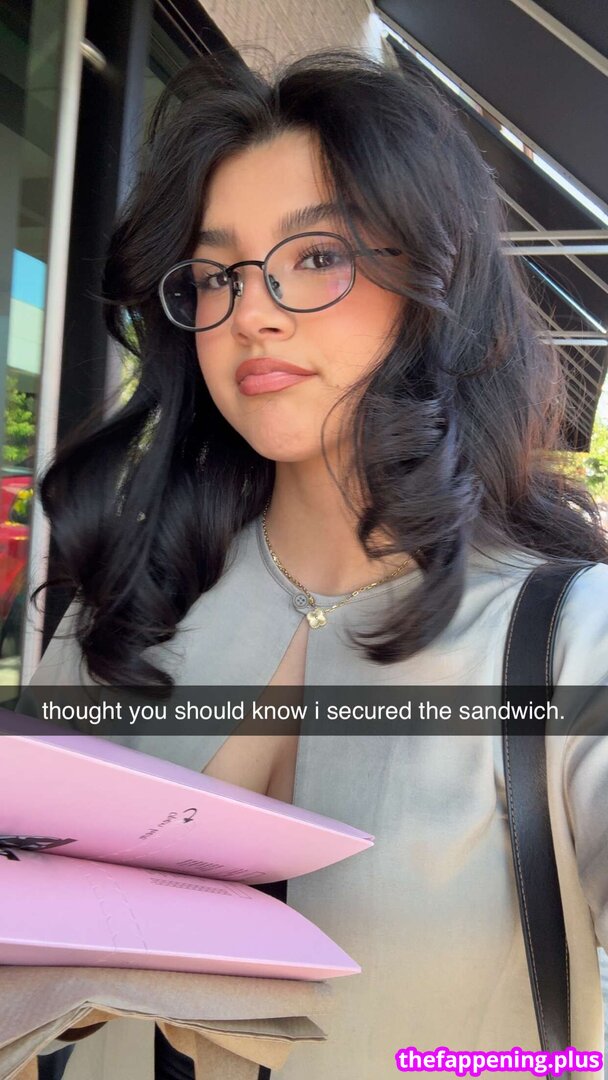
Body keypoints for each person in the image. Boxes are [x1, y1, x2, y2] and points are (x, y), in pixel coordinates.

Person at [28, 49, 608, 1080]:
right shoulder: (123, 613)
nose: (252, 311)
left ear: (433, 283)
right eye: (217, 274)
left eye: (316, 257)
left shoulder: (568, 637)